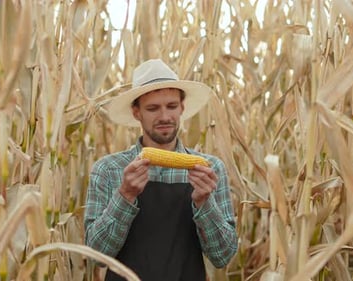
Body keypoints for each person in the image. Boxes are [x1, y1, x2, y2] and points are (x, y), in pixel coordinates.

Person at [84, 59, 238, 281]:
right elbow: (97, 255)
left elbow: (222, 257)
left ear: (182, 108)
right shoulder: (109, 170)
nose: (165, 117)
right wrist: (125, 195)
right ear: (136, 112)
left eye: (172, 106)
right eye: (153, 108)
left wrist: (204, 202)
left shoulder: (210, 170)